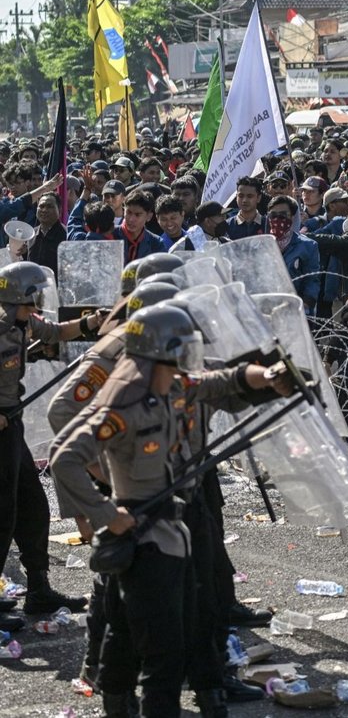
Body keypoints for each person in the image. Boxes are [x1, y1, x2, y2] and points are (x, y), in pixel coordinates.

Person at [50, 302, 292, 718]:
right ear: (161, 352)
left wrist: (267, 375)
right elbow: (64, 457)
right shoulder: (123, 404)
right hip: (144, 543)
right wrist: (107, 513)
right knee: (162, 658)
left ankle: (118, 703)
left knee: (133, 635)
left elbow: (221, 380)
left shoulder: (171, 385)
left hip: (171, 536)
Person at [0, 262, 105, 632]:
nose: (37, 304)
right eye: (33, 297)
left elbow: (57, 331)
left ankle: (39, 588)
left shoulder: (22, 322)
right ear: (18, 296)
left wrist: (93, 323)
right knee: (3, 512)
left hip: (10, 424)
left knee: (31, 505)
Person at [267, 195, 320, 315]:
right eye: (273, 215)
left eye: (283, 215)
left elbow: (312, 280)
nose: (277, 219)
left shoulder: (307, 246)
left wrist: (304, 305)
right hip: (269, 312)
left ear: (292, 217)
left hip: (297, 311)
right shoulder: (262, 245)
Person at [114, 190, 165, 263]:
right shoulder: (110, 235)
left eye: (137, 215)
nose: (131, 219)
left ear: (149, 216)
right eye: (129, 212)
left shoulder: (156, 243)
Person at [28, 192, 66, 279]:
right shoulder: (30, 235)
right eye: (41, 206)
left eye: (49, 206)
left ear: (59, 210)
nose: (44, 210)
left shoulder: (66, 236)